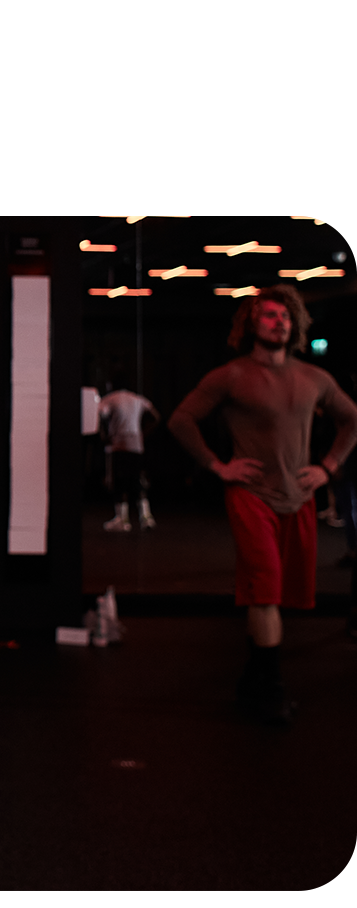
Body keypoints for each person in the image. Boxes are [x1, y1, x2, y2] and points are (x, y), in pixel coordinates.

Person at [166, 285, 356, 725]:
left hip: (299, 497)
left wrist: (327, 467)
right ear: (252, 323)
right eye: (269, 315)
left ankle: (252, 678)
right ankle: (271, 687)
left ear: (296, 325)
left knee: (278, 594)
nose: (279, 322)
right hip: (251, 496)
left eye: (285, 316)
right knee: (266, 586)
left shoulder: (314, 378)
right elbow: (181, 420)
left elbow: (353, 420)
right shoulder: (232, 375)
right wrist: (218, 466)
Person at [97, 379, 159, 532]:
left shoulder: (110, 399)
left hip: (119, 444)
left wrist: (104, 436)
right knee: (138, 479)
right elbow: (156, 417)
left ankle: (122, 519)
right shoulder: (137, 398)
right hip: (136, 445)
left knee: (120, 481)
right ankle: (146, 517)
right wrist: (143, 434)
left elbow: (101, 416)